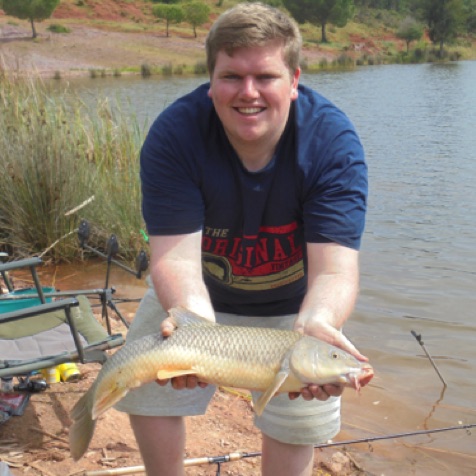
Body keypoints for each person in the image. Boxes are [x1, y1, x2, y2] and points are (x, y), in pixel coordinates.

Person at [115, 3, 368, 475]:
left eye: (266, 77)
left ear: (294, 81)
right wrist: (194, 330)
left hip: (297, 308)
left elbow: (335, 270)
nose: (248, 93)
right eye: (231, 76)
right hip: (198, 299)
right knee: (147, 392)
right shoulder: (175, 135)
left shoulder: (333, 144)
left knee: (298, 421)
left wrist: (319, 324)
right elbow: (176, 261)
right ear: (210, 80)